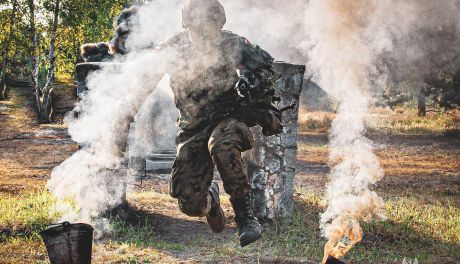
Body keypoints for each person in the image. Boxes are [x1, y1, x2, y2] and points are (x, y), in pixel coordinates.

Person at [124, 0, 280, 247]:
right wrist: (127, 111)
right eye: (199, 28)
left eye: (211, 28)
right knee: (191, 205)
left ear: (219, 25)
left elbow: (264, 68)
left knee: (222, 144)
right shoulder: (173, 48)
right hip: (193, 125)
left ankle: (245, 217)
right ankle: (211, 201)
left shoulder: (234, 43)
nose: (206, 35)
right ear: (187, 25)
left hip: (229, 117)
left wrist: (251, 79)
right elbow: (146, 79)